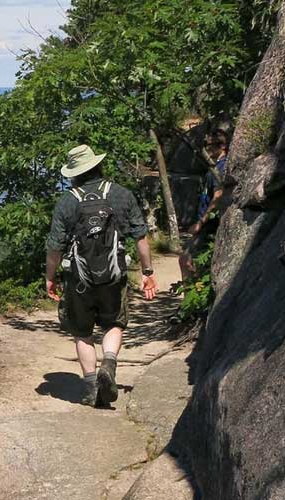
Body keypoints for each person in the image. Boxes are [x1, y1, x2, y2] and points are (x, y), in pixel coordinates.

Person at [46, 144, 158, 407]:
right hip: (113, 275)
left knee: (82, 332)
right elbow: (140, 236)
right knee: (114, 324)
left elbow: (55, 246)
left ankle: (90, 387)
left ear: (74, 173)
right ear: (98, 166)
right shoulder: (120, 194)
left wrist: (49, 277)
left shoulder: (67, 201)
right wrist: (147, 271)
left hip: (78, 279)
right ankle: (108, 363)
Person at [178, 131, 228, 280]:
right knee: (189, 260)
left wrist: (201, 222)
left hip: (210, 224)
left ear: (223, 146)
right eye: (205, 145)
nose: (207, 149)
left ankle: (190, 300)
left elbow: (218, 196)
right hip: (207, 223)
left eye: (211, 145)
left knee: (187, 260)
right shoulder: (213, 167)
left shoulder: (221, 168)